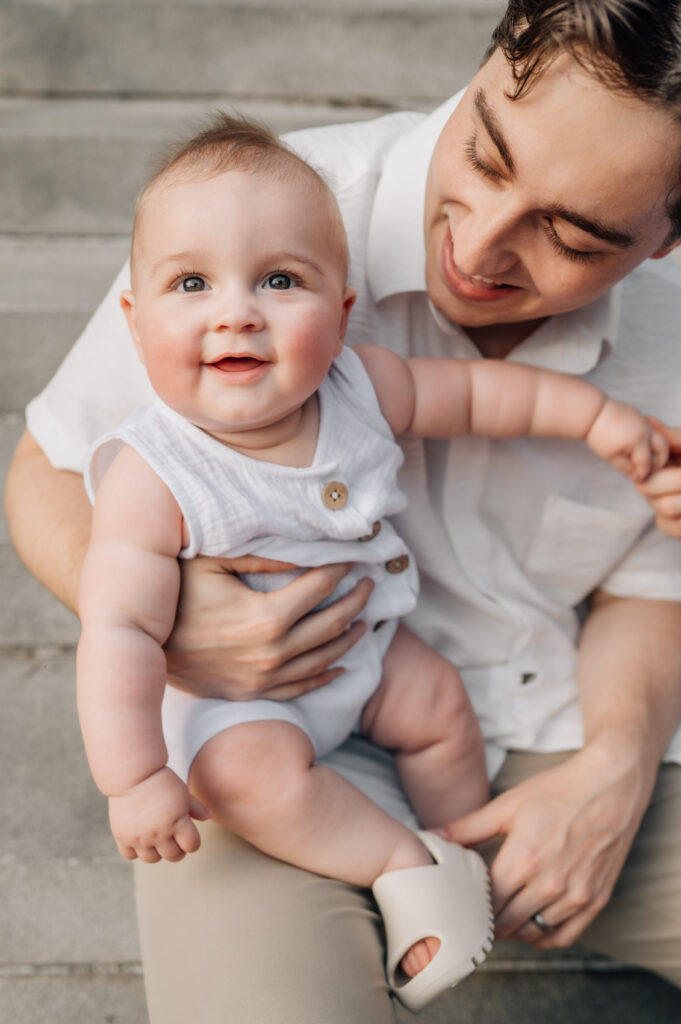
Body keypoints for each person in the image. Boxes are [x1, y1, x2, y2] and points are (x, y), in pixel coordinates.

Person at [5, 1, 681, 1021]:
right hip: (259, 729)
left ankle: (446, 859)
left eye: (571, 236)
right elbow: (46, 471)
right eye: (486, 156)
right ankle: (404, 864)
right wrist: (170, 632)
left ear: (665, 240)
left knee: (443, 715)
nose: (479, 247)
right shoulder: (253, 211)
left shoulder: (362, 373)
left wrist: (616, 764)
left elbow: (514, 432)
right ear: (492, 55)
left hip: (541, 712)